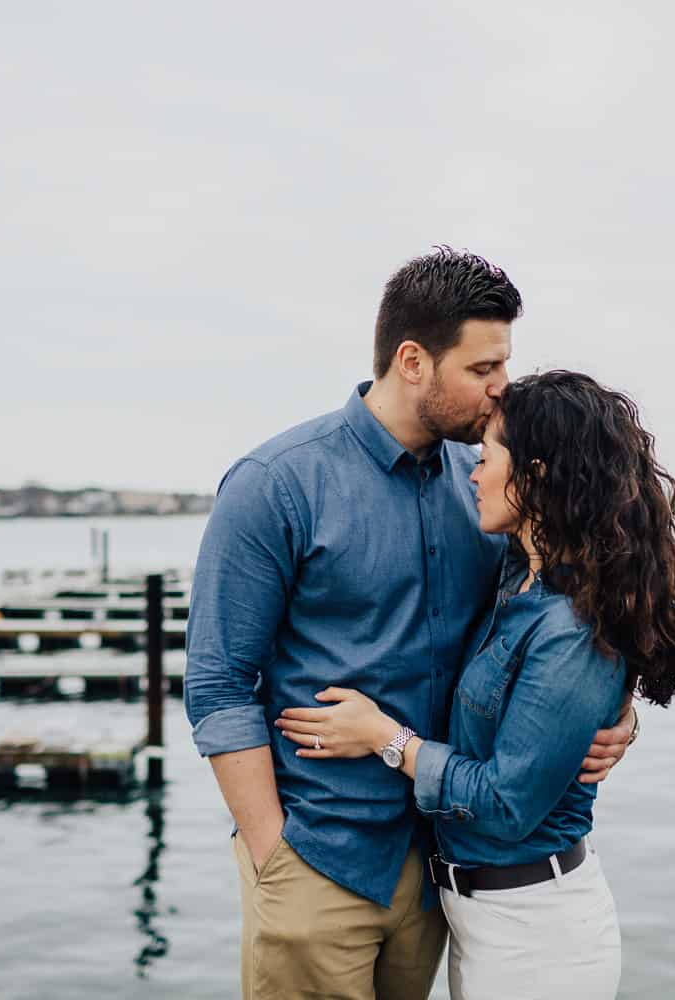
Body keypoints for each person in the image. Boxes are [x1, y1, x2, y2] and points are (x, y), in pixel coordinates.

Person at [184, 249, 639, 1000]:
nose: (502, 389)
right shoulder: (278, 484)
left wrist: (614, 713)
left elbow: (556, 621)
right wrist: (274, 854)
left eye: (505, 365)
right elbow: (218, 682)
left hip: (441, 871)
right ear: (413, 361)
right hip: (319, 855)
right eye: (483, 368)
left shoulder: (488, 487)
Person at [276, 370, 675, 999]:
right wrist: (621, 719)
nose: (472, 475)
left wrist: (383, 738)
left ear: (534, 475)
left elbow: (506, 804)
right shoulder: (519, 578)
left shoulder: (570, 628)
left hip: (536, 934)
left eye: (486, 460)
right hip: (481, 920)